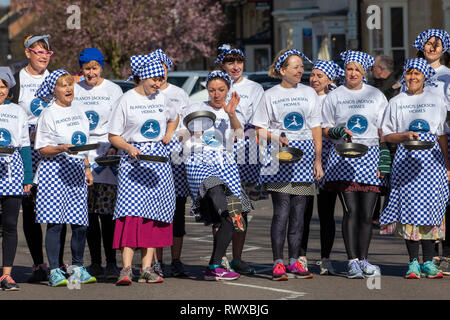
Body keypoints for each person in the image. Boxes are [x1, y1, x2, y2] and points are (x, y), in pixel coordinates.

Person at [108, 54, 178, 285]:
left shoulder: (163, 98)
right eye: (154, 79)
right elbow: (114, 135)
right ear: (142, 78)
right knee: (131, 215)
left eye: (160, 79)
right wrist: (127, 147)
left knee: (154, 216)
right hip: (133, 163)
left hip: (158, 164)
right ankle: (126, 269)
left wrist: (168, 135)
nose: (158, 84)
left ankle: (147, 268)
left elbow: (174, 117)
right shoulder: (126, 100)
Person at [252, 49, 322, 281]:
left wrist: (318, 159)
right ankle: (278, 262)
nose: (301, 70)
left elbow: (315, 128)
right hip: (279, 155)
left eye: (302, 66)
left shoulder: (309, 93)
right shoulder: (270, 94)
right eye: (295, 67)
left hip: (304, 155)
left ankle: (295, 261)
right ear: (282, 70)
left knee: (299, 213)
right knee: (281, 211)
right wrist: (276, 138)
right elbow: (259, 129)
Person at [321, 50, 389, 279]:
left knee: (366, 214)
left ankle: (364, 259)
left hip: (370, 156)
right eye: (349, 69)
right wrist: (337, 131)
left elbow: (383, 130)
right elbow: (325, 127)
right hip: (344, 156)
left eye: (357, 70)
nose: (352, 73)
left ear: (364, 73)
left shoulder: (376, 95)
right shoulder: (334, 95)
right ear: (345, 71)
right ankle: (351, 262)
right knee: (351, 211)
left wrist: (384, 157)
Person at [380, 58, 448, 279]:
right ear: (405, 76)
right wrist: (404, 136)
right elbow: (386, 135)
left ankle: (429, 262)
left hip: (433, 162)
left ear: (425, 77)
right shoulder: (397, 102)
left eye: (417, 74)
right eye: (409, 73)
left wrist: (447, 165)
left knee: (431, 210)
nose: (413, 77)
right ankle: (412, 263)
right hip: (406, 161)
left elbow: (441, 135)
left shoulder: (436, 100)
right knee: (410, 211)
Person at [9, 34, 66, 283]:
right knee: (30, 208)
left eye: (47, 52)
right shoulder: (17, 79)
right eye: (39, 51)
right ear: (27, 53)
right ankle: (38, 264)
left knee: (57, 208)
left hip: (53, 151)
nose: (44, 56)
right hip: (27, 152)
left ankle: (58, 262)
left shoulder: (55, 79)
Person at [182, 70, 249, 281]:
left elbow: (239, 137)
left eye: (221, 90)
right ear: (207, 90)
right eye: (212, 90)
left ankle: (214, 265)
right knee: (223, 203)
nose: (216, 94)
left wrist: (231, 114)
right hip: (200, 165)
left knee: (231, 217)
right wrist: (193, 133)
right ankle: (215, 265)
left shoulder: (234, 111)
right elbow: (182, 137)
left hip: (226, 166)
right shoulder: (196, 108)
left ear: (228, 90)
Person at [34, 69, 96, 287]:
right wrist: (60, 148)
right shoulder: (48, 113)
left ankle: (77, 268)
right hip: (54, 172)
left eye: (70, 84)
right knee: (56, 224)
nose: (69, 88)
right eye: (63, 85)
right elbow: (42, 149)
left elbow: (83, 145)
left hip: (77, 169)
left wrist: (87, 169)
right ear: (54, 90)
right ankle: (54, 270)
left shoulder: (79, 110)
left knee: (80, 223)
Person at [72, 48, 123, 280]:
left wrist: (115, 145)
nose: (90, 73)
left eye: (94, 68)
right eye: (86, 68)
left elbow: (118, 120)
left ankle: (112, 262)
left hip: (106, 152)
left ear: (101, 67)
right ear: (81, 69)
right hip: (82, 154)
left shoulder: (113, 90)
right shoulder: (75, 89)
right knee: (89, 214)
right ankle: (94, 262)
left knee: (107, 213)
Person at [214, 44, 265, 275]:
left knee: (242, 210)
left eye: (239, 62)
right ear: (221, 65)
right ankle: (220, 258)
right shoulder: (216, 85)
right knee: (221, 210)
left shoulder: (254, 88)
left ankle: (237, 258)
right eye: (230, 62)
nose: (235, 67)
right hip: (221, 153)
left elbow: (258, 121)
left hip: (246, 153)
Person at [301, 59, 345, 275]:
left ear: (330, 79)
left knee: (326, 212)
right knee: (304, 211)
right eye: (312, 75)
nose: (314, 79)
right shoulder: (305, 96)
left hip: (329, 160)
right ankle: (300, 256)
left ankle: (325, 258)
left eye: (319, 76)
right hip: (306, 159)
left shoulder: (334, 98)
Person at [413, 29, 450, 275]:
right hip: (417, 144)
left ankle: (445, 254)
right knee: (427, 199)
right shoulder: (413, 73)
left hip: (445, 138)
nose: (433, 48)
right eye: (429, 44)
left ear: (444, 48)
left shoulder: (448, 75)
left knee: (447, 199)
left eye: (437, 44)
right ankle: (428, 255)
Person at [153, 49, 191, 278]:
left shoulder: (179, 94)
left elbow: (188, 127)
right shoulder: (146, 94)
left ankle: (176, 260)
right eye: (156, 70)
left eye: (163, 69)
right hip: (154, 160)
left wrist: (178, 136)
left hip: (177, 159)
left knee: (176, 213)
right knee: (156, 212)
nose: (160, 74)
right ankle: (156, 261)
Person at [0, 67, 33, 290]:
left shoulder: (18, 111)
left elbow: (25, 146)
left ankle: (6, 275)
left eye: (2, 86)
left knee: (11, 224)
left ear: (9, 87)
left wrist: (28, 177)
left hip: (12, 172)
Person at [370, 55, 400, 227]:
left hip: (390, 138)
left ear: (381, 69)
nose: (372, 70)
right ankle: (375, 214)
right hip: (378, 137)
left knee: (388, 179)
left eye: (374, 67)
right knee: (378, 177)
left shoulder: (394, 87)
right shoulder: (377, 85)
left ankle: (386, 215)